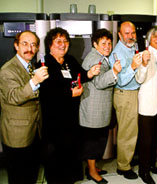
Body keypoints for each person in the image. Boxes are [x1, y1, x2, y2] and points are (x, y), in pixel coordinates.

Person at [38, 27, 100, 184]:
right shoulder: (44, 64)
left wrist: (90, 73)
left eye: (65, 41)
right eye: (58, 41)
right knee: (56, 155)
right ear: (50, 44)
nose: (62, 44)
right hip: (54, 119)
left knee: (71, 152)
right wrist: (69, 94)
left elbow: (81, 75)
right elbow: (45, 93)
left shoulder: (70, 61)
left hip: (71, 117)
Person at [0, 30, 49, 184]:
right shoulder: (7, 70)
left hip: (33, 131)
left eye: (33, 45)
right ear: (16, 46)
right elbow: (14, 97)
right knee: (19, 177)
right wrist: (34, 81)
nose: (30, 48)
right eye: (25, 44)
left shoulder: (30, 66)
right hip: (17, 135)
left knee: (31, 173)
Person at [79, 28, 122, 184]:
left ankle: (93, 167)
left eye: (109, 43)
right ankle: (91, 171)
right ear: (95, 44)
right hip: (93, 109)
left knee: (98, 140)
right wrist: (115, 72)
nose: (107, 46)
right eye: (103, 43)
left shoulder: (101, 57)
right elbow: (99, 82)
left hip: (99, 108)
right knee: (93, 141)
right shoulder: (94, 59)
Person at [109, 21, 148, 180]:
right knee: (127, 132)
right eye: (127, 33)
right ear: (119, 35)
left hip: (135, 92)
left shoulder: (132, 47)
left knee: (133, 130)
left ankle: (128, 157)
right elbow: (119, 80)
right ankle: (123, 166)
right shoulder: (117, 53)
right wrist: (132, 66)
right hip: (125, 94)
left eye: (133, 33)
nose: (131, 36)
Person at [135, 26, 157, 184]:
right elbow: (139, 79)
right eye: (155, 36)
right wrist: (143, 64)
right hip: (147, 103)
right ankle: (143, 171)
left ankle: (150, 165)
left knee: (155, 137)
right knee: (146, 140)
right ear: (149, 39)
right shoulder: (143, 55)